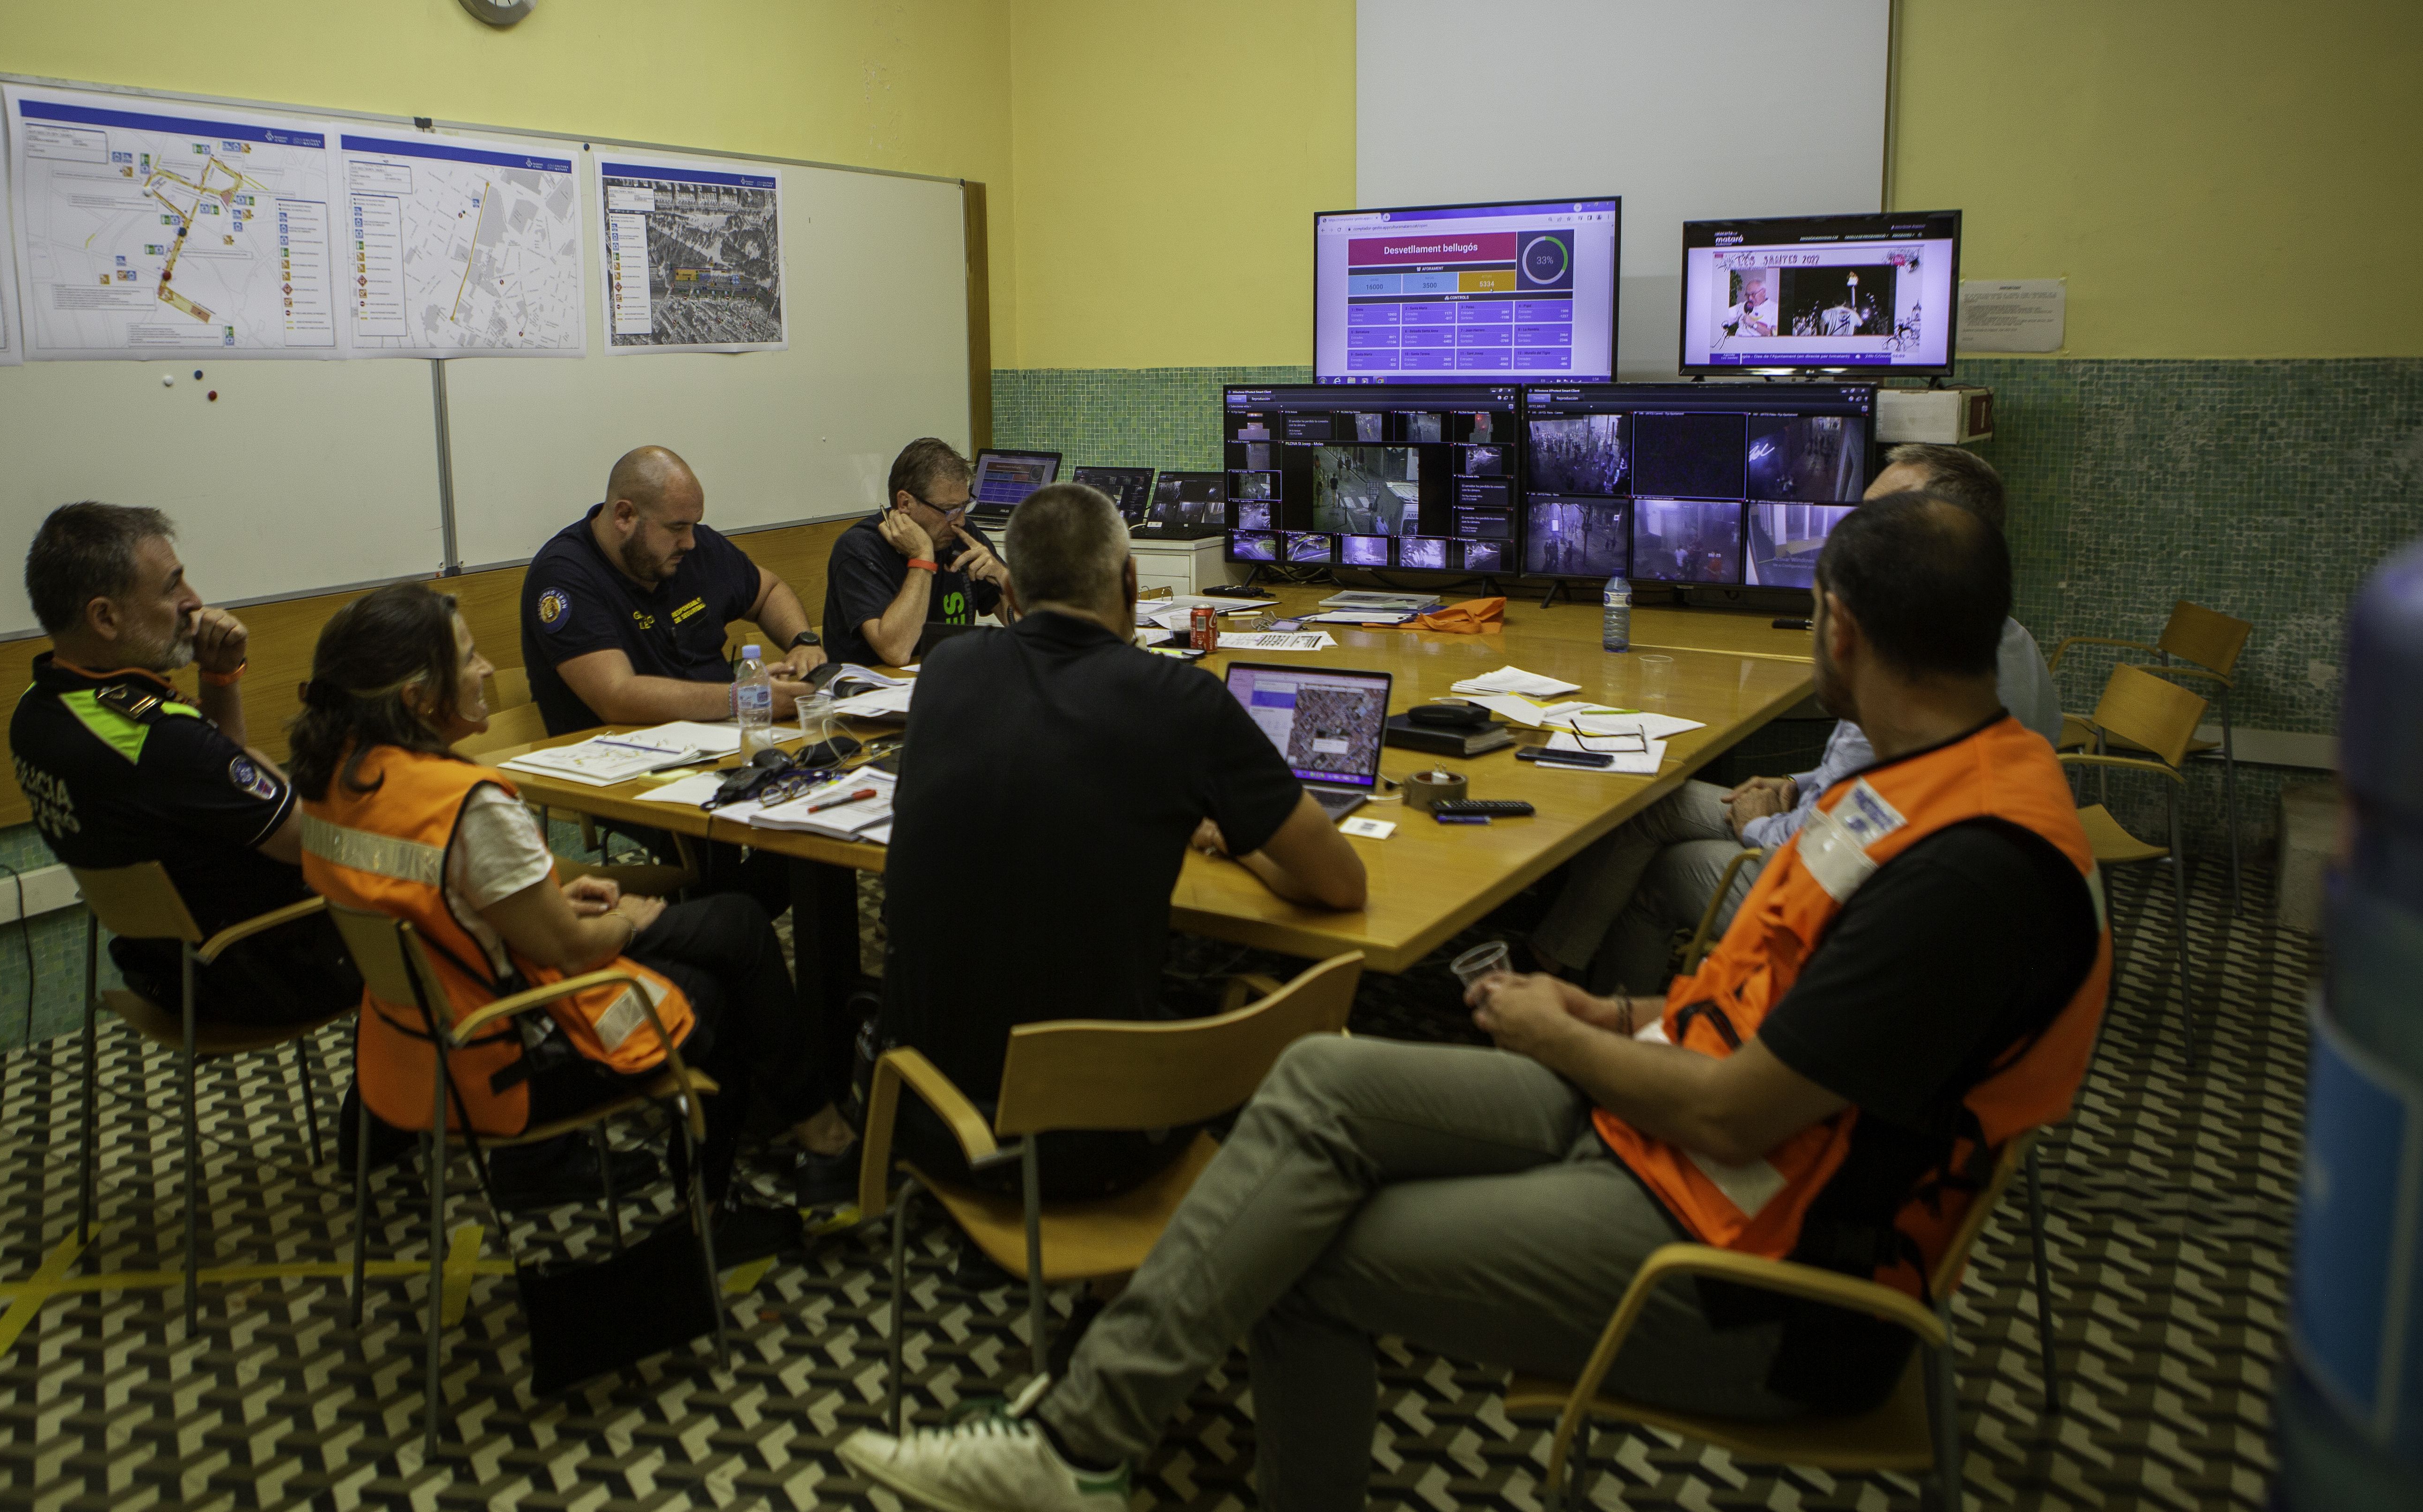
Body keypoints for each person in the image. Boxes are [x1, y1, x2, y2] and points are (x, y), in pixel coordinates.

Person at [841, 491, 2109, 1512]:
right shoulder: (1927, 782)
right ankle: (1081, 1443)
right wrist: (1610, 1019)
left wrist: (1568, 1033)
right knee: (1318, 1081)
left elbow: (1734, 1114)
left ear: (1836, 630)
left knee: (1293, 1252)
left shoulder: (1972, 871)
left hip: (1760, 1272)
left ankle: (1077, 1440)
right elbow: (1767, 1028)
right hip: (1667, 1134)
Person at [291, 582, 863, 1241]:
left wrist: (544, 904)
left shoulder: (332, 780)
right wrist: (630, 919)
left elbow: (431, 909)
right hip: (512, 1056)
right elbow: (570, 950)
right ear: (419, 700)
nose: (483, 670)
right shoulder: (466, 802)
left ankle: (815, 1135)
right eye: (470, 658)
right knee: (721, 978)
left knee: (733, 922)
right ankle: (726, 1204)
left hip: (416, 1047)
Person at [878, 482, 1365, 1199]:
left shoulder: (946, 672)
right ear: (1132, 580)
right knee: (1256, 1019)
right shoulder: (1181, 701)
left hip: (925, 1113)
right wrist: (1236, 843)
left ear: (1009, 590)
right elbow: (1341, 885)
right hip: (1100, 1137)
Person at [1526, 442, 2064, 989]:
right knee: (1654, 799)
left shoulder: (1904, 678)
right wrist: (1794, 782)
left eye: (1876, 519)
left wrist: (1759, 821)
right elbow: (1863, 792)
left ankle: (1598, 1020)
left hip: (1834, 875)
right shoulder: (2007, 643)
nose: (1851, 529)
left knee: (1661, 866)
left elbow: (1836, 842)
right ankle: (1557, 956)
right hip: (1861, 849)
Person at [7, 504, 416, 1180]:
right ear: (106, 618)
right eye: (171, 588)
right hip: (260, 967)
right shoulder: (154, 737)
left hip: (167, 964)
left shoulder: (40, 710)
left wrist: (219, 682)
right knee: (445, 907)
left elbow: (219, 780)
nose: (194, 603)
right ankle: (401, 1127)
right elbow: (308, 839)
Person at [519, 446, 828, 739]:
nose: (690, 542)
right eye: (677, 528)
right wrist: (741, 699)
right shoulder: (564, 574)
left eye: (694, 525)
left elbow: (768, 591)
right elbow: (615, 696)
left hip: (722, 739)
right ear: (625, 516)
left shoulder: (690, 547)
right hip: (625, 761)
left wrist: (803, 641)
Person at [821, 436, 1010, 669]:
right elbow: (897, 652)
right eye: (949, 510)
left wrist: (1002, 576)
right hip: (869, 695)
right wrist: (922, 557)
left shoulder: (960, 534)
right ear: (906, 503)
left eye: (965, 505)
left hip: (944, 680)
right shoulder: (859, 549)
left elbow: (1034, 634)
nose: (960, 520)